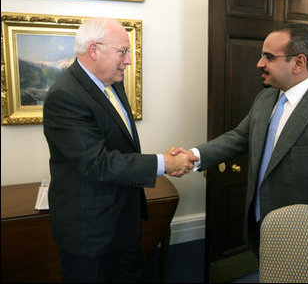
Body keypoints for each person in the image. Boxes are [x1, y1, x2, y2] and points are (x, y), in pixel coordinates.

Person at [171, 23, 308, 258]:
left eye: (268, 57)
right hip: (261, 227)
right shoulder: (265, 98)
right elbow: (239, 137)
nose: (259, 63)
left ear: (299, 62)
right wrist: (193, 156)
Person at [43, 17, 198, 282]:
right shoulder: (65, 96)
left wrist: (164, 161)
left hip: (124, 221)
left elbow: (121, 147)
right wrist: (165, 163)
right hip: (91, 234)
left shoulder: (113, 82)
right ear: (94, 50)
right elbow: (97, 163)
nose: (128, 60)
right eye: (123, 52)